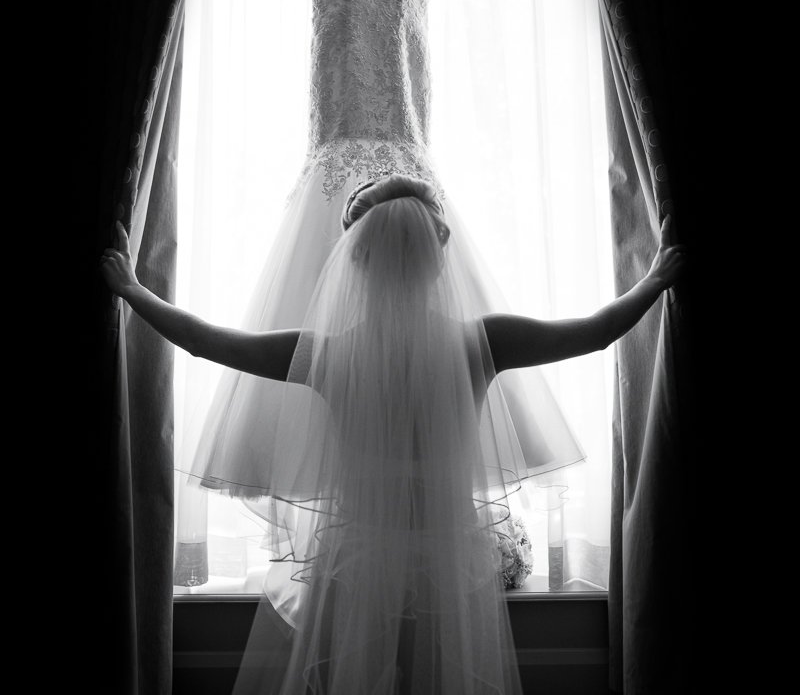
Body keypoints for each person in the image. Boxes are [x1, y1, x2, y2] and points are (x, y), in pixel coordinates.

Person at [102, 173, 684, 694]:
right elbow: (593, 332)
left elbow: (210, 342)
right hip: (448, 562)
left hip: (356, 562)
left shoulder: (333, 354)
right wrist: (654, 279)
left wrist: (134, 291)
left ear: (355, 262)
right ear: (440, 259)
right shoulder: (480, 343)